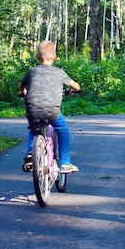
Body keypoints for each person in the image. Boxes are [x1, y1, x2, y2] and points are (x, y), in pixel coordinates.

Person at [19, 40, 80, 174]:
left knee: (34, 130)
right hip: (52, 111)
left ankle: (30, 154)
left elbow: (21, 86)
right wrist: (74, 91)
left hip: (32, 110)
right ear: (54, 57)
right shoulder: (59, 72)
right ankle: (65, 163)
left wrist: (23, 92)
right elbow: (76, 86)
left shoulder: (31, 72)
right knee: (63, 130)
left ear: (37, 57)